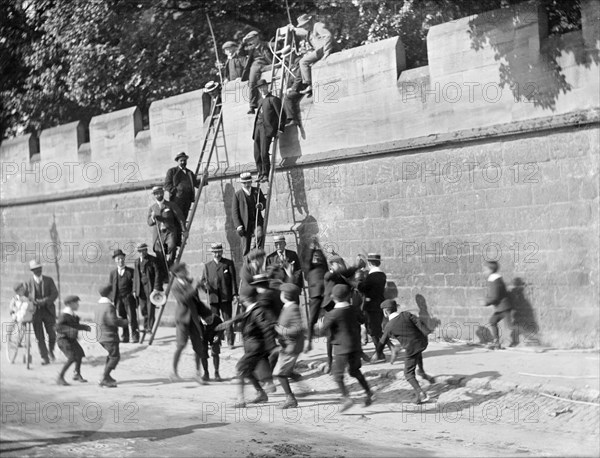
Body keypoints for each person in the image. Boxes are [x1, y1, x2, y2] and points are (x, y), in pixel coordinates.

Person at [319, 284, 373, 411]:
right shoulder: (354, 309)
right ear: (348, 296)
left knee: (338, 375)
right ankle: (369, 392)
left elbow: (323, 332)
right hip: (355, 346)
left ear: (333, 297)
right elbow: (362, 319)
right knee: (354, 371)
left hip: (341, 349)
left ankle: (346, 397)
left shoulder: (332, 314)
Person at [375, 299, 435, 404]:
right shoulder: (406, 314)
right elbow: (418, 322)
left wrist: (377, 353)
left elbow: (382, 341)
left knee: (408, 374)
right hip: (422, 343)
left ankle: (421, 393)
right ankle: (421, 371)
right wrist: (427, 332)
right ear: (396, 308)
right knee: (418, 352)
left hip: (411, 348)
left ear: (385, 311)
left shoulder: (389, 326)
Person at [230, 284, 277, 408]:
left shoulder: (257, 311)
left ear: (245, 298)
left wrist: (272, 346)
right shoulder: (252, 308)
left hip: (256, 347)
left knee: (240, 369)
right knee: (248, 371)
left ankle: (240, 400)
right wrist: (231, 321)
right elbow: (245, 316)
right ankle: (261, 393)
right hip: (252, 346)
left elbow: (266, 327)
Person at [170, 262, 212, 382]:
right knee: (181, 345)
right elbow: (183, 299)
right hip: (182, 319)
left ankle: (198, 373)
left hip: (193, 318)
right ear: (177, 273)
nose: (186, 270)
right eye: (183, 269)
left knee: (198, 347)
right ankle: (174, 372)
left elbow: (197, 300)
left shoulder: (189, 282)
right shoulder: (175, 286)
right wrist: (194, 287)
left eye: (185, 268)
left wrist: (203, 286)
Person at [273, 283, 305, 409]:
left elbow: (298, 328)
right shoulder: (287, 307)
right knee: (287, 370)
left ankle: (290, 399)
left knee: (280, 373)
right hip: (286, 345)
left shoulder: (293, 308)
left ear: (285, 295)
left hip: (292, 346)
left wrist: (282, 331)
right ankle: (303, 386)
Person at [200, 242, 239, 348]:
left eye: (219, 252)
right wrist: (205, 286)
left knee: (227, 320)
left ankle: (230, 341)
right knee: (213, 321)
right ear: (212, 253)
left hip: (226, 297)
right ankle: (215, 341)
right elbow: (202, 281)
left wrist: (235, 294)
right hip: (213, 298)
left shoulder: (228, 263)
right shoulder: (207, 266)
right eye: (215, 252)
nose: (217, 254)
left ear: (222, 252)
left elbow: (233, 281)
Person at [252, 79, 286, 183]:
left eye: (263, 87)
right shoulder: (259, 101)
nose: (262, 89)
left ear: (267, 87)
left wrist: (280, 129)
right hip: (257, 128)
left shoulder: (273, 99)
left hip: (267, 130)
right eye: (260, 88)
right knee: (256, 153)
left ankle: (266, 174)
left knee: (263, 152)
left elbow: (282, 116)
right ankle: (260, 173)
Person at [95, 284, 129, 388]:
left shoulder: (99, 305)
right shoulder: (109, 306)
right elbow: (112, 321)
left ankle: (107, 375)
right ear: (110, 293)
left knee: (111, 355)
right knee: (115, 357)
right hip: (109, 336)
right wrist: (125, 322)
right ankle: (104, 377)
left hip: (100, 335)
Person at [293, 14, 333, 97]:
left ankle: (309, 84)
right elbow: (301, 32)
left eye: (305, 24)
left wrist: (327, 52)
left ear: (310, 21)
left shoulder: (318, 26)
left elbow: (328, 36)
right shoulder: (309, 30)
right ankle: (309, 84)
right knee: (305, 63)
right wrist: (293, 28)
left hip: (322, 50)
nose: (304, 27)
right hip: (319, 51)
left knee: (303, 62)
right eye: (302, 26)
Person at [148, 185, 186, 272]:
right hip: (159, 234)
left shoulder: (170, 205)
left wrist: (184, 230)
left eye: (159, 192)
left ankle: (171, 263)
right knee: (160, 254)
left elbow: (180, 218)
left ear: (163, 193)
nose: (158, 195)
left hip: (170, 232)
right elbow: (149, 222)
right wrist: (153, 217)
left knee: (172, 246)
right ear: (154, 195)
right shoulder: (152, 208)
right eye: (156, 194)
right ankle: (165, 272)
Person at [27, 260, 59, 365]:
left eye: (39, 268)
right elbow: (26, 296)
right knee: (39, 336)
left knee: (52, 334)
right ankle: (44, 357)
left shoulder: (48, 280)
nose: (38, 271)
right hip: (36, 313)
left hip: (48, 311)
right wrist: (34, 302)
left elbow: (55, 293)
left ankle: (51, 351)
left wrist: (45, 301)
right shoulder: (28, 283)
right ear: (32, 271)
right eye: (35, 269)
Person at [56, 295, 91, 386]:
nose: (78, 305)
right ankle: (60, 377)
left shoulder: (72, 314)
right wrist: (70, 331)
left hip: (70, 339)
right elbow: (58, 327)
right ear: (70, 304)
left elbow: (74, 326)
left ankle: (77, 373)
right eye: (76, 303)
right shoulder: (64, 315)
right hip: (63, 339)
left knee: (79, 353)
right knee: (72, 357)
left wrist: (84, 327)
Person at [357, 253, 387, 361]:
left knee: (372, 330)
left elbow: (362, 288)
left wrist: (359, 280)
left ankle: (381, 352)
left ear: (369, 263)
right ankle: (380, 352)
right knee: (376, 329)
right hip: (380, 304)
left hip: (371, 306)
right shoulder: (382, 275)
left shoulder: (370, 277)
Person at [483, 261, 515, 349]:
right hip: (501, 307)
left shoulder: (494, 280)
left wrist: (486, 302)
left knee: (510, 326)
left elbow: (495, 296)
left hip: (504, 307)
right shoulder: (495, 279)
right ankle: (496, 342)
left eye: (485, 269)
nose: (484, 271)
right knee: (493, 321)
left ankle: (533, 336)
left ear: (491, 270)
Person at [239, 30, 273, 114]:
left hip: (267, 64)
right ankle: (252, 106)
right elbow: (239, 53)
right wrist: (242, 43)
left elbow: (276, 45)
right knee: (252, 82)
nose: (250, 42)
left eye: (252, 39)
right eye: (249, 40)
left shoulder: (266, 44)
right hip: (256, 65)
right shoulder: (250, 49)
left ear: (257, 37)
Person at [232, 172, 266, 256]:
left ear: (251, 182)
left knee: (259, 235)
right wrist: (239, 226)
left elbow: (264, 201)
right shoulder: (237, 195)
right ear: (241, 183)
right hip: (244, 224)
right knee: (245, 247)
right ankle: (247, 263)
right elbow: (235, 212)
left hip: (256, 221)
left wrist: (261, 205)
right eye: (244, 183)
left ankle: (255, 253)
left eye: (248, 182)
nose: (247, 184)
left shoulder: (257, 191)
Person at [303, 237, 327, 351]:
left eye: (319, 257)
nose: (317, 258)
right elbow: (307, 260)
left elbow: (325, 261)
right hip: (316, 295)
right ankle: (309, 341)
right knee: (312, 318)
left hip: (326, 294)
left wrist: (319, 248)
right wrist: (312, 248)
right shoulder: (309, 269)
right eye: (315, 257)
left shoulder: (323, 267)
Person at [133, 242, 163, 335]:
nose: (142, 253)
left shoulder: (153, 260)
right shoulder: (137, 261)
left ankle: (149, 327)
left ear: (146, 250)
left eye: (143, 250)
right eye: (140, 251)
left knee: (150, 308)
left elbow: (158, 274)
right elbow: (136, 276)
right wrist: (134, 289)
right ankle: (145, 326)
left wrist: (156, 288)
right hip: (140, 288)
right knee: (143, 308)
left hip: (150, 287)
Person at [109, 249, 138, 343]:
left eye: (122, 258)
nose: (120, 260)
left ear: (124, 259)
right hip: (118, 299)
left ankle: (135, 336)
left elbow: (136, 284)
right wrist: (112, 299)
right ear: (115, 260)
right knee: (122, 318)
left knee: (132, 317)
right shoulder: (113, 273)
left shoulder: (131, 271)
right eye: (118, 259)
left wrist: (133, 292)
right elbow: (111, 286)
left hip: (128, 298)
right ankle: (125, 336)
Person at [164, 152, 200, 222]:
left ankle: (182, 232)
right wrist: (176, 192)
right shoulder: (172, 171)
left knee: (184, 218)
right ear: (177, 161)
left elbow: (196, 184)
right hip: (177, 200)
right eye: (181, 160)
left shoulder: (190, 173)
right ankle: (177, 233)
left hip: (187, 200)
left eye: (185, 160)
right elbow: (167, 185)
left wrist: (204, 179)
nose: (183, 162)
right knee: (177, 219)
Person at [199, 311, 224, 382]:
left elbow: (222, 327)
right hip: (202, 337)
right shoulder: (197, 320)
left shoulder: (216, 318)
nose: (210, 321)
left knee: (215, 352)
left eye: (210, 319)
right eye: (207, 320)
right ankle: (206, 373)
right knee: (203, 354)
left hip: (214, 335)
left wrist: (218, 335)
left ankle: (217, 372)